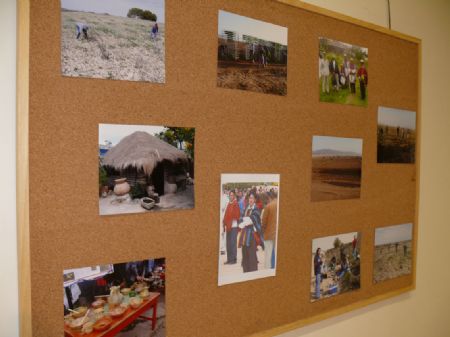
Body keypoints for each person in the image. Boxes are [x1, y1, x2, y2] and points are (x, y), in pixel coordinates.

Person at [238, 192, 264, 273]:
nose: (251, 200)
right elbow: (241, 218)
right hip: (244, 236)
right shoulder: (246, 208)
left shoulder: (256, 209)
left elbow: (252, 220)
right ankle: (246, 271)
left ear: (255, 199)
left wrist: (245, 221)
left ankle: (253, 273)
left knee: (252, 255)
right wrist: (245, 220)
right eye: (249, 198)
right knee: (245, 254)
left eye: (252, 198)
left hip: (252, 236)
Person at [222, 191, 241, 265]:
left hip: (233, 226)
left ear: (234, 196)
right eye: (230, 195)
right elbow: (226, 214)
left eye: (232, 195)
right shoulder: (229, 204)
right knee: (228, 243)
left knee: (233, 243)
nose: (231, 196)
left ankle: (234, 259)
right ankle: (229, 259)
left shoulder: (236, 204)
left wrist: (230, 218)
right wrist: (225, 221)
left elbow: (237, 215)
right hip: (228, 226)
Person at [261, 192, 278, 269]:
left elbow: (263, 222)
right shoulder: (280, 204)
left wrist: (263, 230)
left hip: (269, 234)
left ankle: (267, 271)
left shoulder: (268, 207)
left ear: (269, 197)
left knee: (268, 255)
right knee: (275, 254)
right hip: (276, 234)